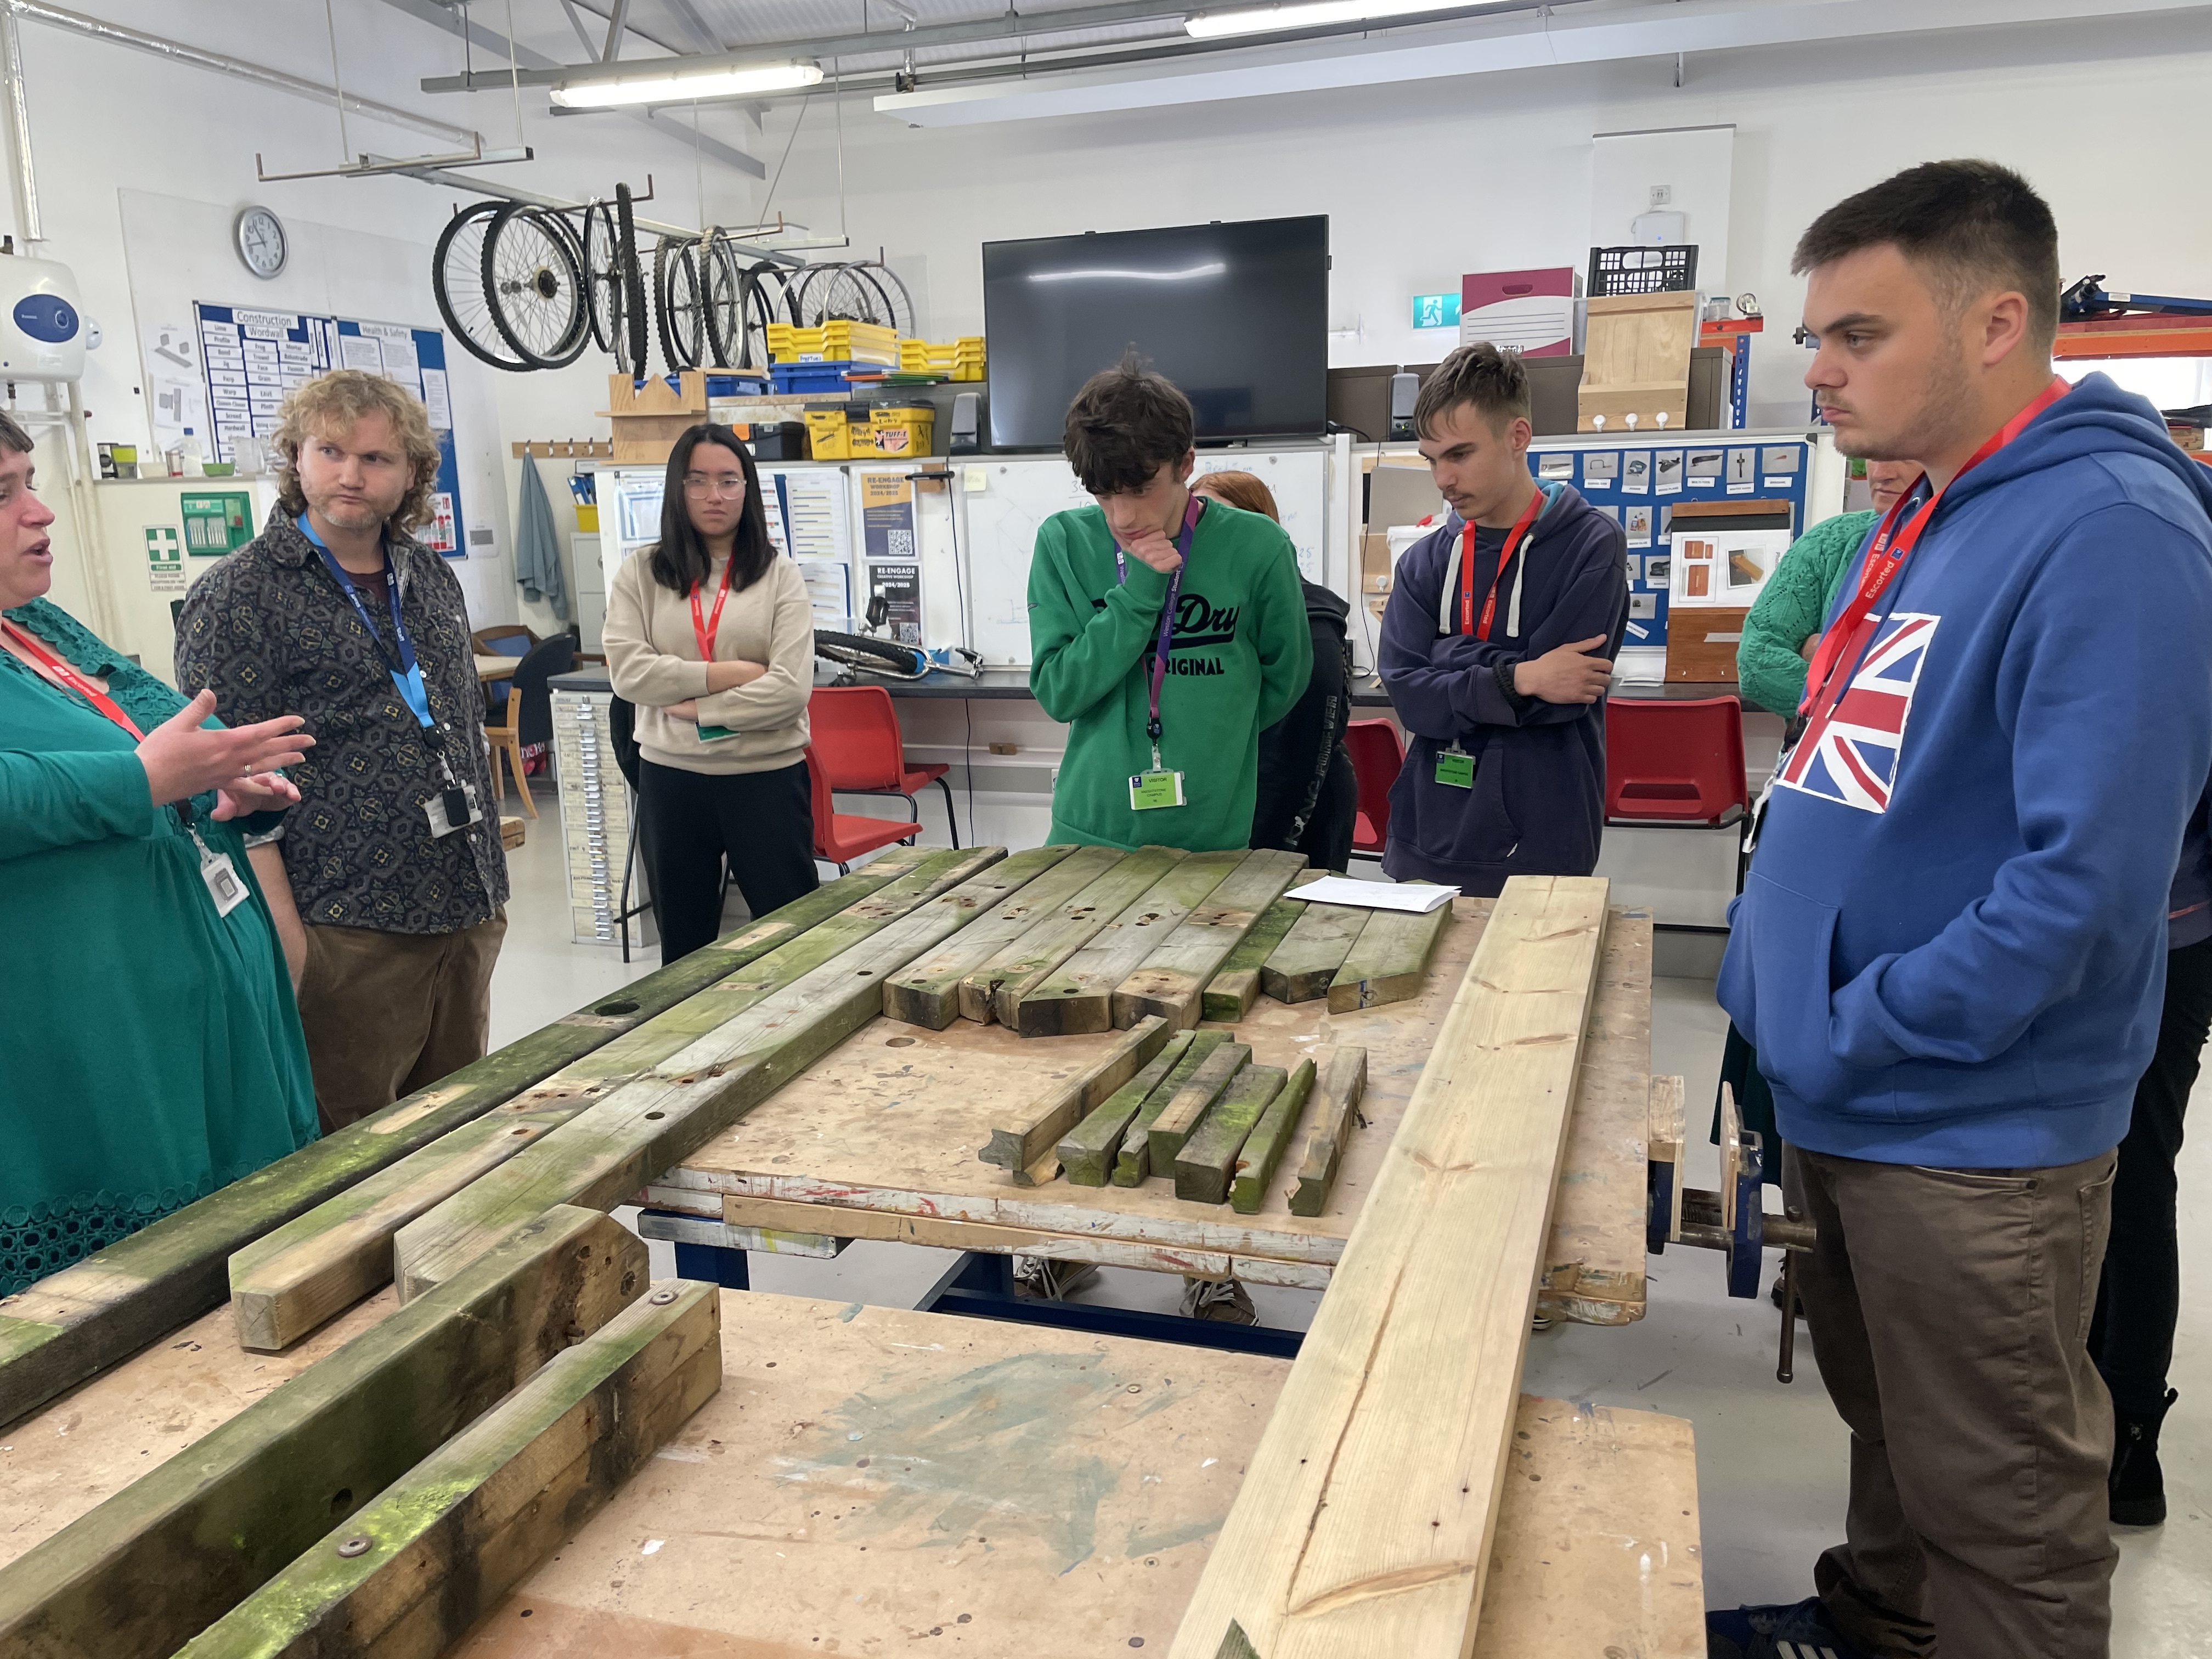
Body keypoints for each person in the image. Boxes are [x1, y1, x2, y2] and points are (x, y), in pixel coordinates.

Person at [1708, 160, 2212, 1659]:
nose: (1818, 369)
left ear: (1997, 322)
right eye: (1817, 336)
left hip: (1966, 1127)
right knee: (1897, 1430)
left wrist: (1864, 1028)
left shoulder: (2114, 529)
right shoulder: (1934, 514)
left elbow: (2083, 891)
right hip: (1858, 1094)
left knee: (2001, 1502)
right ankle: (1874, 1627)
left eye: (1858, 334)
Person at [0, 411, 319, 1294]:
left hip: (200, 1031)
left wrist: (217, 779)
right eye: (4, 494)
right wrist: (141, 782)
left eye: (31, 482)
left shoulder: (40, 627)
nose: (40, 513)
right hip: (82, 1073)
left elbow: (156, 715)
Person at [176, 369, 510, 1133]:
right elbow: (228, 785)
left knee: (461, 1130)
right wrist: (288, 943)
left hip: (464, 902)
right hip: (346, 924)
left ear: (412, 476)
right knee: (352, 1158)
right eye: (330, 451)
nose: (350, 476)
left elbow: (452, 723)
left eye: (376, 459)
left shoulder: (427, 577)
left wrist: (489, 890)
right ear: (297, 458)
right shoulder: (239, 596)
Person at [1029, 355, 1311, 855]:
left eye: (1141, 489)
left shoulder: (1259, 547)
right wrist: (1138, 594)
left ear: (1186, 463)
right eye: (1103, 494)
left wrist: (1212, 733)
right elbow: (1059, 692)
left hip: (1210, 838)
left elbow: (1283, 680)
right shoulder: (1063, 542)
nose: (1123, 515)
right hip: (1086, 834)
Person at [1376, 343, 1628, 895]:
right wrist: (1521, 677)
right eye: (1431, 459)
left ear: (1518, 437)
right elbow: (1408, 694)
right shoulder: (1425, 561)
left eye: (1460, 455)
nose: (1443, 478)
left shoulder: (1591, 546)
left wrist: (1447, 656)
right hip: (1429, 836)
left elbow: (1562, 700)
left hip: (1544, 842)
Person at [603, 422, 817, 963]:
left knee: (793, 943)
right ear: (678, 488)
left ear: (748, 488)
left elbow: (790, 690)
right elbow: (630, 674)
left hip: (765, 779)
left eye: (728, 480)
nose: (714, 495)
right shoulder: (641, 574)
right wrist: (731, 675)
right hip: (673, 783)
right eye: (698, 481)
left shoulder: (779, 576)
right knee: (685, 947)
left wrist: (694, 707)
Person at [2089, 789, 2212, 1525]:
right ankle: (2096, 1407)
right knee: (2100, 1171)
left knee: (2132, 1179)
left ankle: (2131, 1436)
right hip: (2117, 928)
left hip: (2166, 938)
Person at [1190, 469, 1357, 871]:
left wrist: (1266, 852)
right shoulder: (1209, 610)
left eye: (1222, 516)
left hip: (1295, 808)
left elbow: (1303, 756)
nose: (1207, 532)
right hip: (1228, 803)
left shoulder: (1310, 620)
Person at [1735, 461, 1920, 718]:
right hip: (1819, 752)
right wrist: (1871, 712)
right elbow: (1756, 663)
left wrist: (1825, 657)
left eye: (1903, 456)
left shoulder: (1971, 551)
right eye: (1874, 456)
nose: (1880, 474)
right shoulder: (1828, 541)